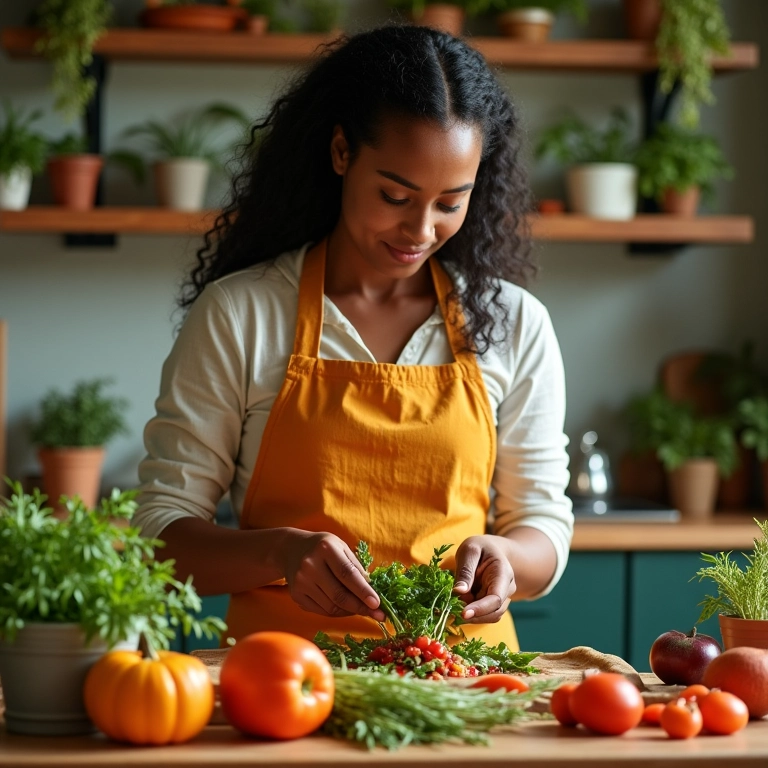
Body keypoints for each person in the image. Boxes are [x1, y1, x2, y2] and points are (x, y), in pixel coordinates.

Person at [134, 23, 572, 650]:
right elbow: (160, 535)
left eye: (451, 202)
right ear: (341, 153)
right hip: (283, 684)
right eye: (395, 195)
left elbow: (543, 522)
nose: (420, 229)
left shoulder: (514, 322)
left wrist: (510, 558)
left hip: (467, 685)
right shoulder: (242, 314)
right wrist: (280, 555)